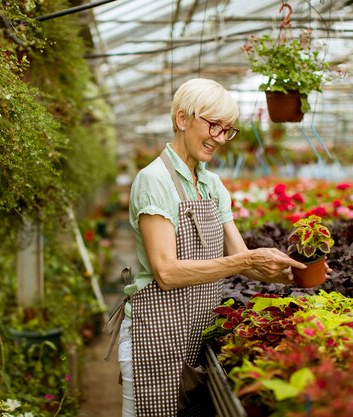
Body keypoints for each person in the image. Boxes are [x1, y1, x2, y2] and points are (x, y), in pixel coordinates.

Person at [117, 78, 307, 417]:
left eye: (227, 130)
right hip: (155, 336)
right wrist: (243, 260)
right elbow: (166, 272)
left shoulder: (211, 184)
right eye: (213, 126)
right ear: (182, 119)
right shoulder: (155, 180)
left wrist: (292, 273)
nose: (220, 138)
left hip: (194, 335)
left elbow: (241, 258)